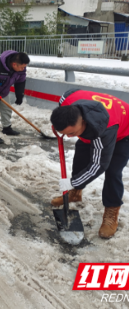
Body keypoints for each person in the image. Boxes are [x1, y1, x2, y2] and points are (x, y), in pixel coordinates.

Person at [50, 89, 129, 239]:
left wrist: (71, 182)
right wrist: (57, 128)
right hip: (94, 126)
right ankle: (75, 193)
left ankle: (112, 210)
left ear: (83, 122)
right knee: (80, 157)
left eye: (71, 133)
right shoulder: (67, 100)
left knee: (113, 170)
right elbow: (63, 110)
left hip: (123, 132)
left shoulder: (105, 130)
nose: (67, 137)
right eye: (65, 133)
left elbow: (98, 165)